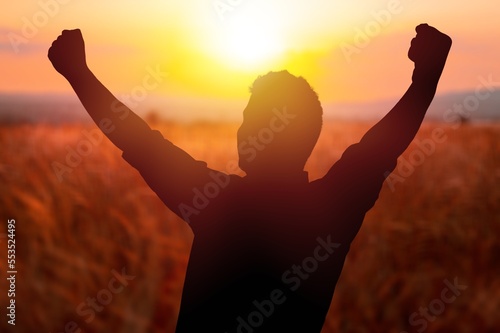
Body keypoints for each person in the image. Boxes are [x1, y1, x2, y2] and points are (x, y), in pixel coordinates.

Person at [48, 23, 452, 332]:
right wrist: (425, 79)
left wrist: (79, 73)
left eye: (255, 121)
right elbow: (380, 147)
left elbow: (138, 140)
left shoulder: (216, 203)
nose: (243, 132)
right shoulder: (331, 210)